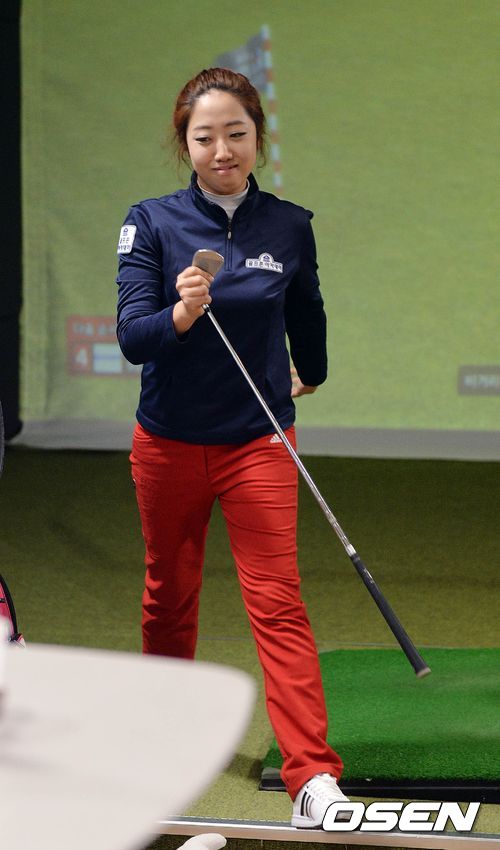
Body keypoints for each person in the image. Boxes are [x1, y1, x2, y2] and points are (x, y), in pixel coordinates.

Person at [116, 68, 350, 828]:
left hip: (258, 441)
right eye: (205, 137)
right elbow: (133, 337)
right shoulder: (151, 222)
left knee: (278, 601)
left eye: (236, 134)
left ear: (257, 137)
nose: (222, 150)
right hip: (168, 444)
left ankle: (312, 778)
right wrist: (181, 314)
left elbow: (307, 308)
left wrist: (311, 372)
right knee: (169, 596)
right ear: (184, 145)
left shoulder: (289, 224)